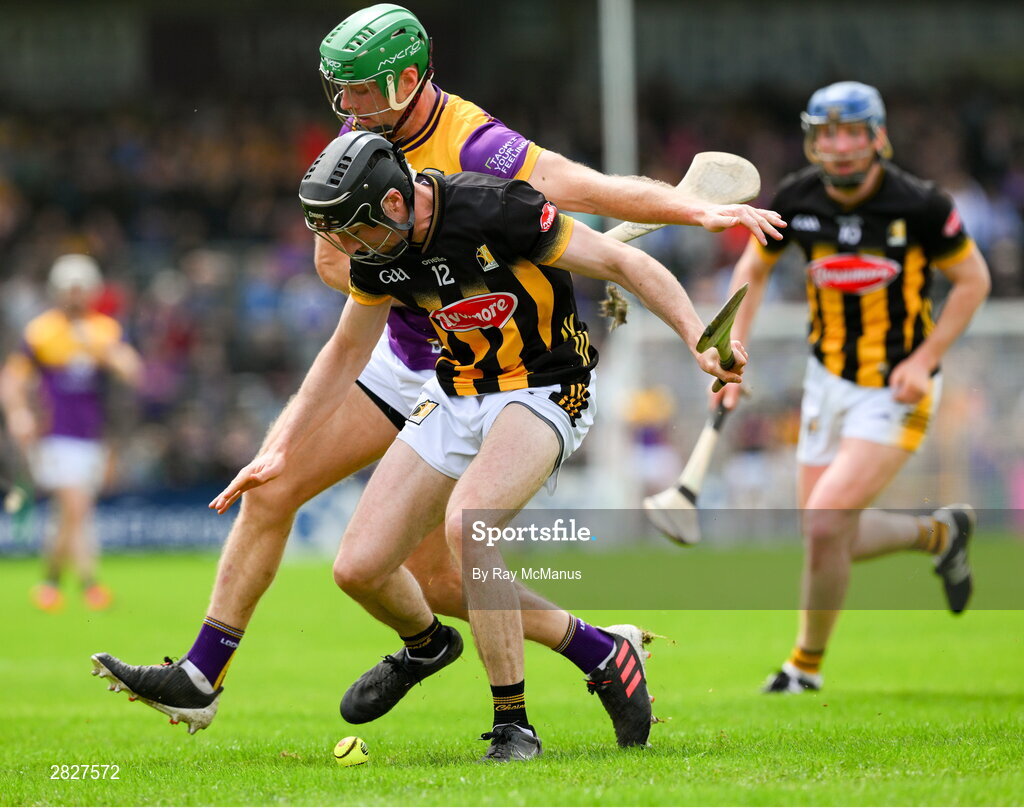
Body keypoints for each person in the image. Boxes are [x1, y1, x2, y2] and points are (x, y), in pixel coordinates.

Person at [90, 3, 782, 740]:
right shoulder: (360, 148)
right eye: (341, 92)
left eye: (357, 91)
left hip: (493, 363)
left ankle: (545, 683)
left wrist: (683, 209)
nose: (345, 109)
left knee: (454, 558)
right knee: (281, 490)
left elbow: (586, 190)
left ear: (407, 79)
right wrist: (420, 265)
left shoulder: (480, 147)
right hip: (410, 352)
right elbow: (337, 267)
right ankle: (210, 674)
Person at [261, 132, 742, 761]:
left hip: (546, 386)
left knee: (470, 525)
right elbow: (346, 351)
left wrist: (696, 337)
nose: (345, 252)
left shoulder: (498, 208)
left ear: (396, 205)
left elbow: (626, 264)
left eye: (352, 232)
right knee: (360, 568)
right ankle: (464, 647)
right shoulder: (375, 255)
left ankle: (514, 724)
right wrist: (282, 447)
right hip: (456, 392)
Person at [708, 82, 990, 693]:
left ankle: (803, 669)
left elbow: (973, 281)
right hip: (826, 382)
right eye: (825, 133)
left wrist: (926, 357)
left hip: (896, 388)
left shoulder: (919, 204)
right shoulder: (799, 197)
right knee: (826, 527)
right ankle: (939, 534)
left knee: (826, 520)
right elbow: (753, 269)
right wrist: (732, 348)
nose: (837, 147)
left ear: (877, 137)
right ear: (812, 139)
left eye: (852, 133)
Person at [1, 254, 142, 612]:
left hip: (91, 435)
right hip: (55, 434)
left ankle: (59, 583)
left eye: (81, 289)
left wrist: (110, 355)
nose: (75, 296)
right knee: (75, 505)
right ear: (58, 291)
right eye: (70, 289)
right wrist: (18, 415)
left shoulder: (103, 330)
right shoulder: (41, 332)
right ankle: (80, 582)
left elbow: (131, 370)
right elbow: (13, 379)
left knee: (72, 514)